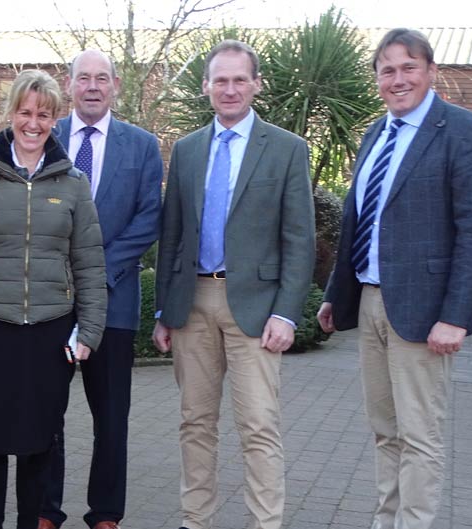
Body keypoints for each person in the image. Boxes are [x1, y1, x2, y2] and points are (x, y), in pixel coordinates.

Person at [317, 28, 472, 529]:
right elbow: (359, 220)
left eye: (408, 67)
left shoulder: (463, 132)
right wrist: (338, 294)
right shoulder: (376, 133)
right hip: (372, 302)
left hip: (424, 313)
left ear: (431, 71)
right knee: (384, 430)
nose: (398, 80)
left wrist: (455, 317)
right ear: (377, 78)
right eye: (387, 70)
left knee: (420, 435)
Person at [151, 40, 316, 529]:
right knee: (195, 424)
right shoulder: (185, 150)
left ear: (256, 84)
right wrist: (164, 309)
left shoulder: (287, 149)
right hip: (192, 303)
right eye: (220, 80)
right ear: (206, 87)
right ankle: (194, 520)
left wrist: (287, 313)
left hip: (257, 309)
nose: (229, 89)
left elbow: (299, 239)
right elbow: (173, 234)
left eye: (239, 79)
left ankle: (265, 523)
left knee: (259, 427)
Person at [0, 69, 107, 529]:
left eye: (45, 115)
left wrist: (88, 331)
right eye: (26, 112)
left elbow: (90, 264)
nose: (34, 123)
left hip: (52, 331)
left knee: (40, 442)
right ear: (12, 114)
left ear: (56, 119)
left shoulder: (73, 185)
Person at [39, 49, 163, 529]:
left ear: (115, 86)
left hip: (114, 299)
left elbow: (149, 216)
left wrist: (97, 270)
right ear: (68, 85)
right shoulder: (44, 137)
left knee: (111, 417)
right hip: (50, 298)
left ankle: (106, 513)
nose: (93, 86)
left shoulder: (142, 145)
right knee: (47, 411)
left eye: (102, 78)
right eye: (83, 78)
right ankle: (46, 509)